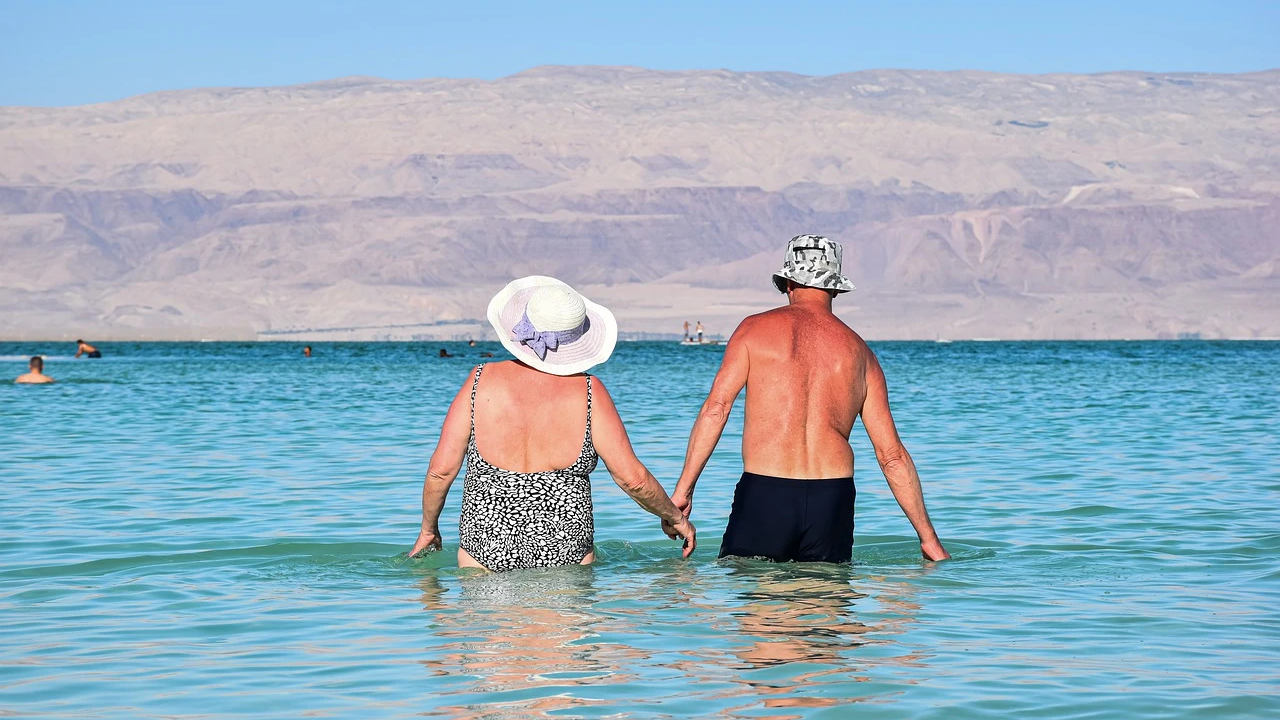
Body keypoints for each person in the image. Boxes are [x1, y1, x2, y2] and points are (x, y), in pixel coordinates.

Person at [666, 234, 949, 563]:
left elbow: (716, 410)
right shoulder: (861, 354)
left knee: (755, 591)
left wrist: (684, 490)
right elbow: (891, 457)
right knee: (825, 594)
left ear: (787, 283)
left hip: (766, 491)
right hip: (833, 498)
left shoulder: (753, 330)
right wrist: (929, 539)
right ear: (835, 289)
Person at [410, 275, 695, 571]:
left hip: (483, 552)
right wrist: (675, 518)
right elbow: (632, 479)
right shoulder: (589, 392)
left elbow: (441, 470)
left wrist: (428, 530)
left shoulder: (480, 381)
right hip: (567, 553)